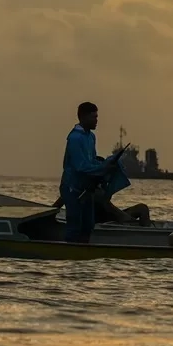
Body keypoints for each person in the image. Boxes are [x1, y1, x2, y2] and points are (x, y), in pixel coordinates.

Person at [60, 101, 113, 243]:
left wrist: (106, 164)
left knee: (88, 225)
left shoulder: (91, 137)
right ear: (83, 117)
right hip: (72, 188)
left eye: (97, 117)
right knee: (74, 226)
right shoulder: (75, 138)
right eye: (93, 117)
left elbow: (91, 161)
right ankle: (69, 254)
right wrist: (102, 168)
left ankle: (83, 258)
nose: (96, 120)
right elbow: (81, 166)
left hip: (86, 189)